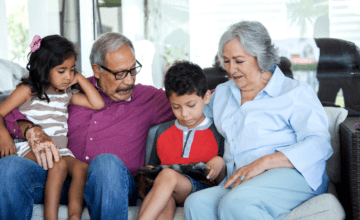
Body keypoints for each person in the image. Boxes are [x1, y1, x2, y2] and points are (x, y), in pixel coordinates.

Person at [0, 32, 174, 220]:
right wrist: (28, 127)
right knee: (10, 166)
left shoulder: (148, 98)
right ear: (97, 70)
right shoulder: (67, 88)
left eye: (133, 70)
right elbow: (13, 107)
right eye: (120, 73)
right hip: (60, 180)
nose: (130, 80)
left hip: (112, 185)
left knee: (106, 163)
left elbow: (195, 99)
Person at [184, 21, 333, 220]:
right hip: (242, 180)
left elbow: (320, 144)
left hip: (292, 174)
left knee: (237, 202)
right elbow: (191, 108)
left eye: (239, 61)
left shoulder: (295, 92)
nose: (231, 69)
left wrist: (264, 162)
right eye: (226, 61)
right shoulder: (222, 93)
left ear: (260, 58)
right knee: (197, 203)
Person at [0, 35, 105, 220]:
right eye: (61, 71)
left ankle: (74, 216)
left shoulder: (66, 94)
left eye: (72, 70)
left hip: (60, 150)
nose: (68, 77)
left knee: (81, 168)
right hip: (29, 147)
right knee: (59, 165)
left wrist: (79, 78)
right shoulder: (27, 91)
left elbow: (98, 104)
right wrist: (4, 136)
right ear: (44, 68)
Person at [137, 61, 226, 220]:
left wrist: (220, 163)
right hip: (168, 191)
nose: (184, 114)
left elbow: (223, 180)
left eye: (191, 105)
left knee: (168, 177)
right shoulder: (162, 131)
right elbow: (154, 166)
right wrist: (149, 172)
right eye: (176, 107)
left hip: (201, 190)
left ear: (206, 97)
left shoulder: (217, 131)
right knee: (165, 199)